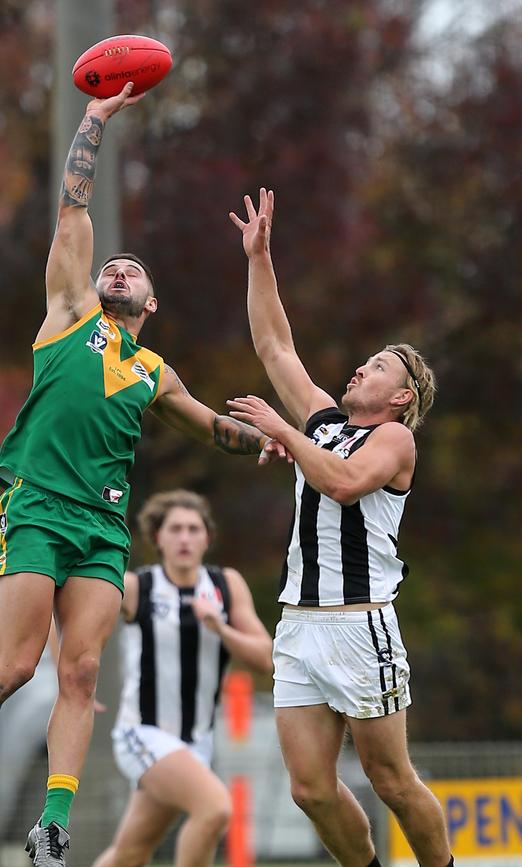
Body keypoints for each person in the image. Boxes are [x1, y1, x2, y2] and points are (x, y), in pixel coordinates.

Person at [0, 87, 288, 867]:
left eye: (132, 271)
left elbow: (213, 427)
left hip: (102, 527)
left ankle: (54, 828)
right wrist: (95, 121)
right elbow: (74, 211)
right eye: (113, 265)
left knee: (79, 670)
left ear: (151, 300)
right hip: (36, 506)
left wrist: (273, 439)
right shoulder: (70, 313)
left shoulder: (154, 372)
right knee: (14, 666)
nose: (117, 270)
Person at [227, 189, 454, 867]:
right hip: (298, 626)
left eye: (379, 365)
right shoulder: (325, 423)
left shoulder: (395, 444)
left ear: (402, 395)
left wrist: (280, 431)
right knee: (309, 790)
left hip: (361, 627)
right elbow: (273, 343)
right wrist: (260, 259)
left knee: (390, 779)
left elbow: (345, 484)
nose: (361, 366)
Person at [92, 489, 273, 867]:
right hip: (142, 733)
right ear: (157, 537)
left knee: (131, 851)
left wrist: (219, 626)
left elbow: (267, 659)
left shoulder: (225, 586)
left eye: (194, 529)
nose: (185, 538)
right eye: (175, 529)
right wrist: (74, 682)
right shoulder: (136, 586)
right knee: (215, 809)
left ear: (207, 538)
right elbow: (75, 609)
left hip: (195, 742)